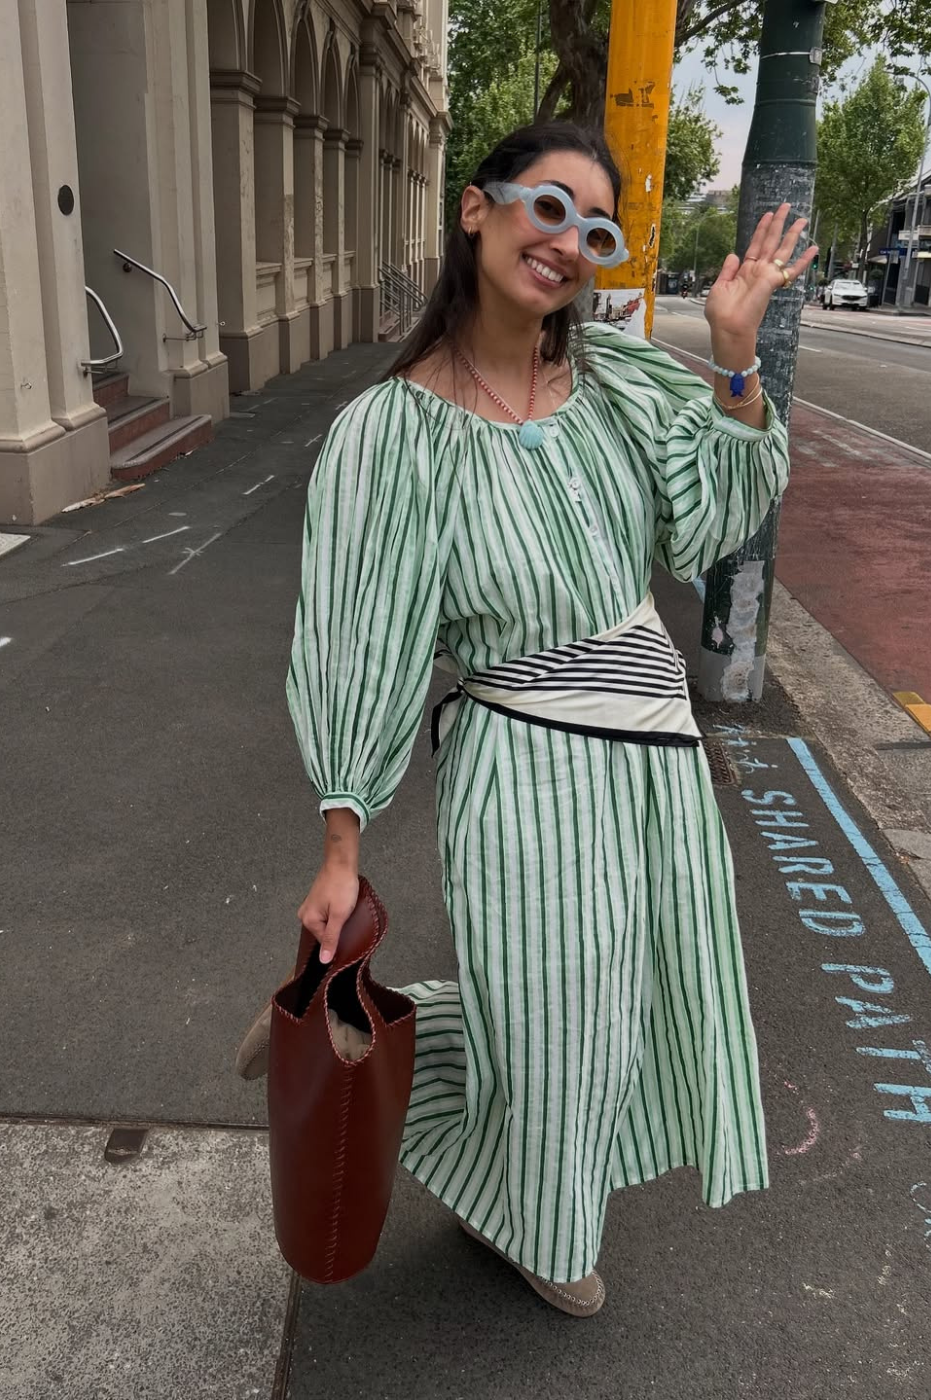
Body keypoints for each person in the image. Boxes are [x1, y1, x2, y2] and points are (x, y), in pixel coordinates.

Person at [286, 122, 817, 1317]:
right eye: (545, 208)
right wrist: (341, 845)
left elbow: (705, 523)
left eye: (595, 229)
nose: (568, 243)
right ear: (475, 211)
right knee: (560, 1020)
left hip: (653, 761)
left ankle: (410, 1022)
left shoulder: (621, 384)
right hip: (520, 758)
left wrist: (735, 360)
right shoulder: (391, 433)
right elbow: (357, 640)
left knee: (616, 998)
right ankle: (544, 1224)